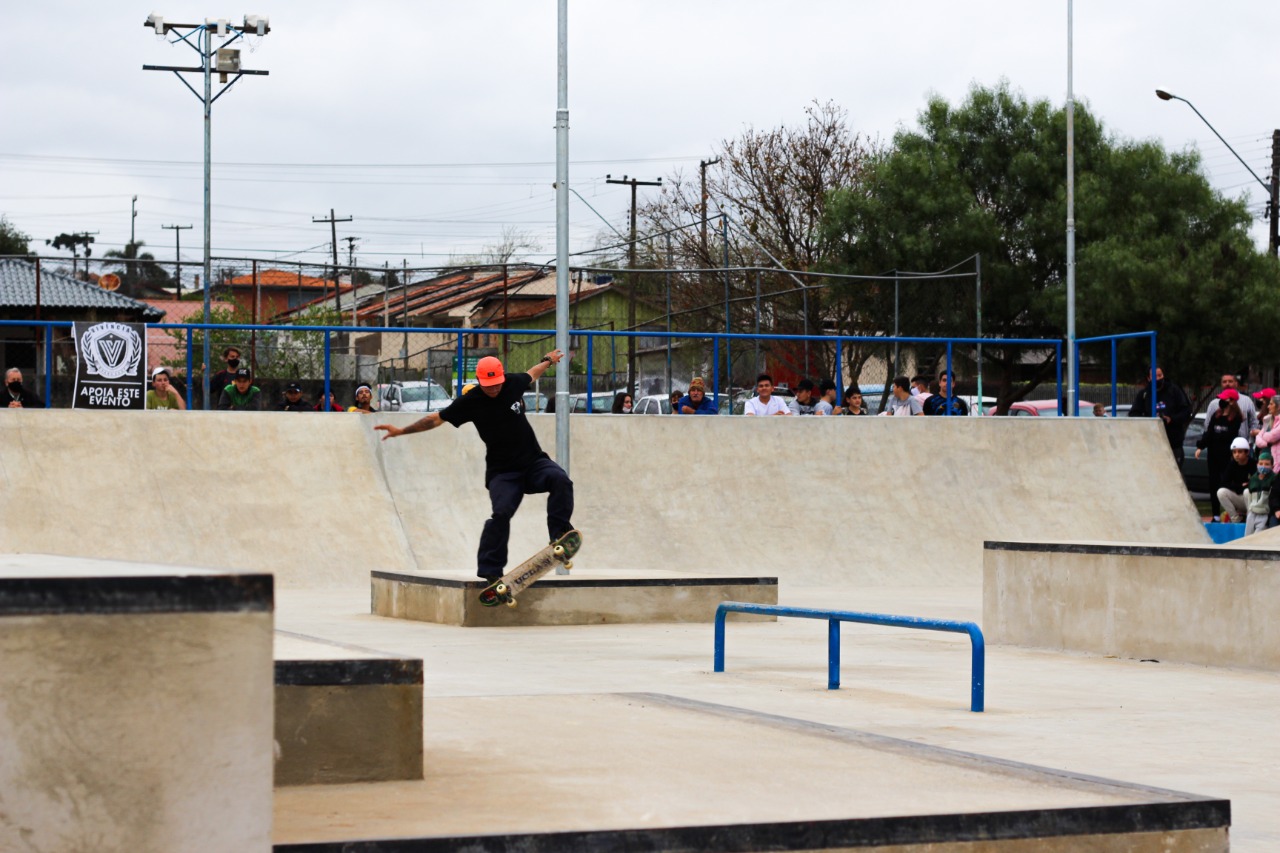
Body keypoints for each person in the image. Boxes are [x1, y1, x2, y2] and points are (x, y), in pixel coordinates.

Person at [374, 350, 574, 595]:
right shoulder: (470, 402)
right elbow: (435, 419)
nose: (493, 389)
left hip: (533, 462)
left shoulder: (512, 382)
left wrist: (548, 360)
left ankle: (559, 533)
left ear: (502, 378)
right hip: (503, 473)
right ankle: (491, 571)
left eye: (496, 384)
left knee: (560, 479)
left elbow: (532, 374)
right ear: (480, 381)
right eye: (488, 386)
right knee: (500, 514)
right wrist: (401, 431)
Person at [1196, 389, 1246, 519]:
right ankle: (1216, 515)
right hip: (1213, 455)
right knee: (1213, 483)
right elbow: (1209, 433)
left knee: (1227, 483)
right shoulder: (1216, 415)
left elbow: (1229, 435)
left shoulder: (1236, 418)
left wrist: (1216, 437)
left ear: (1231, 401)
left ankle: (1234, 512)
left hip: (1227, 456)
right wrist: (1201, 446)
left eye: (1224, 399)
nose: (1221, 401)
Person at [1127, 368, 1191, 463]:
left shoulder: (1174, 391)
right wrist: (1149, 421)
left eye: (1160, 375)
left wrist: (1171, 419)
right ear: (1149, 378)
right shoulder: (1144, 394)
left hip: (1172, 443)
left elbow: (1186, 411)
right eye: (1154, 376)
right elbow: (1133, 414)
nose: (1158, 378)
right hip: (1151, 444)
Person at [1204, 373, 1258, 441]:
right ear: (1221, 384)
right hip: (1220, 445)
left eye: (1230, 381)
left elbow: (1254, 422)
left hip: (1242, 445)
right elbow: (1207, 424)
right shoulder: (1214, 403)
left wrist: (1250, 439)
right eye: (1224, 382)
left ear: (1236, 383)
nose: (1227, 384)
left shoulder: (1247, 401)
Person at [1216, 437, 1255, 524]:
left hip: (1252, 501)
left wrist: (1243, 487)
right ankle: (1236, 520)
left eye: (1240, 452)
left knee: (1247, 491)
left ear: (1247, 452)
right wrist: (1239, 486)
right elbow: (1223, 483)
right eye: (1234, 452)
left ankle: (1250, 520)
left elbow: (1255, 484)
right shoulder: (1232, 465)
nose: (1236, 455)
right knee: (1221, 492)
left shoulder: (1253, 464)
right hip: (1239, 498)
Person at [1244, 451, 1276, 535]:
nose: (1263, 466)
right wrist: (1249, 510)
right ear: (1257, 464)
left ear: (1272, 466)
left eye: (1267, 464)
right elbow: (1249, 497)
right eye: (1261, 463)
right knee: (1247, 536)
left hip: (1264, 514)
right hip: (1252, 512)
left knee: (1257, 536)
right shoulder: (1253, 479)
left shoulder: (1274, 479)